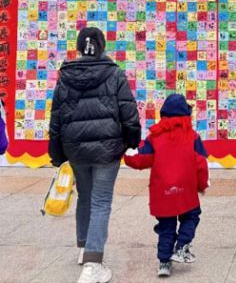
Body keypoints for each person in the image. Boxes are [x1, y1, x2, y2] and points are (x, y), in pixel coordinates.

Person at [48, 27, 141, 283]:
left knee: (85, 197)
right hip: (108, 150)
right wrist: (132, 141)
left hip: (75, 149)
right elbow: (129, 112)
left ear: (79, 47)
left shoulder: (66, 75)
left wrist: (56, 153)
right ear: (102, 47)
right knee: (101, 202)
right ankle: (93, 265)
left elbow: (56, 117)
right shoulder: (114, 73)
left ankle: (84, 247)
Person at [124, 93, 209, 278]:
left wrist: (128, 154)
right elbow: (201, 163)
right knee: (191, 216)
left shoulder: (154, 137)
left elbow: (142, 159)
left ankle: (164, 262)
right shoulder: (193, 137)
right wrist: (202, 184)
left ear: (163, 114)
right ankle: (182, 246)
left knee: (166, 226)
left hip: (163, 192)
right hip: (186, 190)